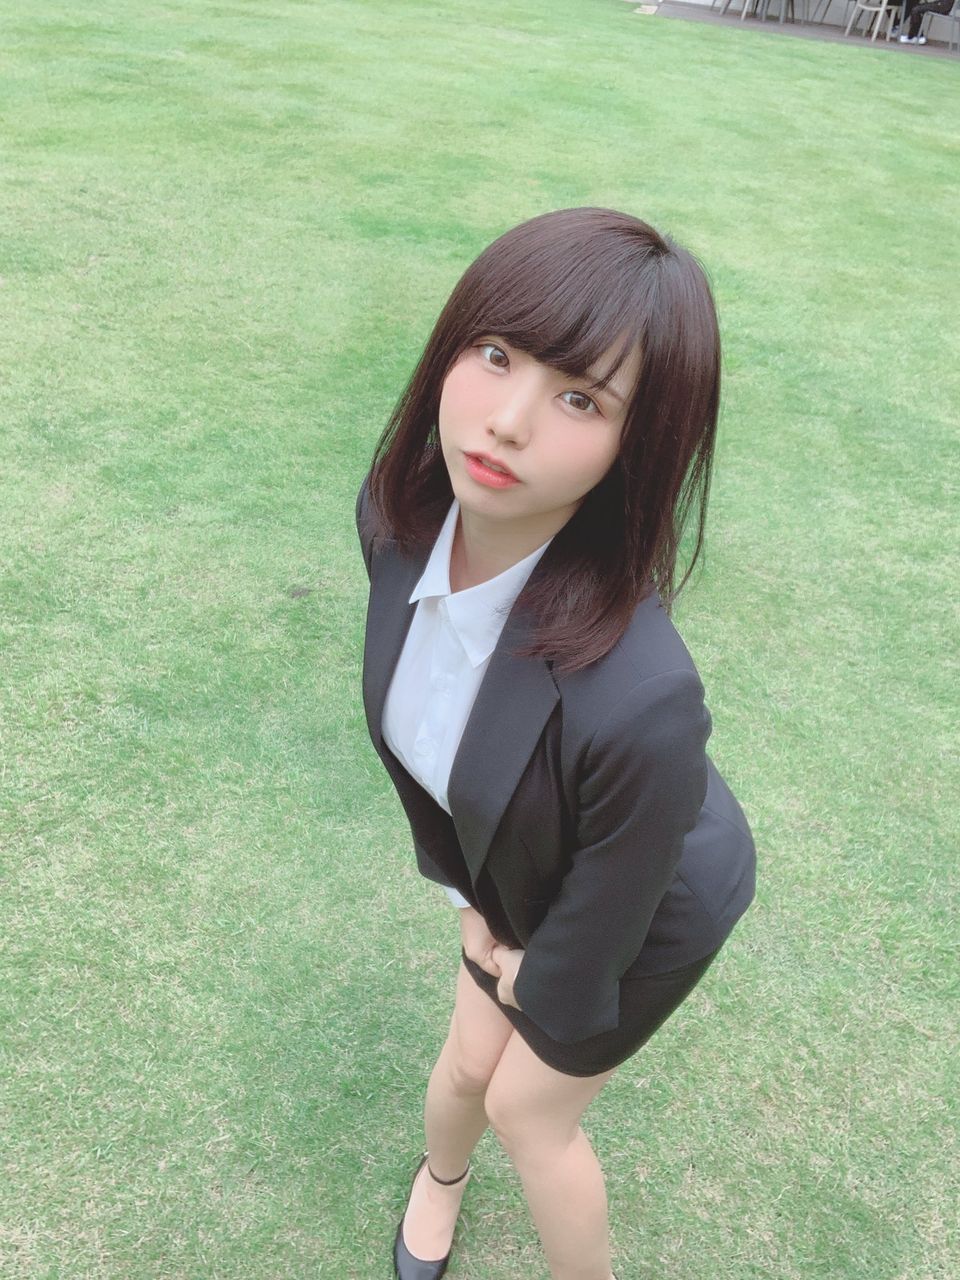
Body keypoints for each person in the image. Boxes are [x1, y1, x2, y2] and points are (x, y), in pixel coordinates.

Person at [355, 207, 757, 1280]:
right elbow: (435, 752)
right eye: (496, 354)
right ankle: (440, 1180)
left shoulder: (643, 698)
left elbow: (618, 893)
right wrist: (472, 904)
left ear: (638, 443)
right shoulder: (396, 527)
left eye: (582, 397)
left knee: (528, 1109)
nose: (507, 422)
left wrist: (537, 971)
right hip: (528, 840)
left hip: (651, 896)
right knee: (467, 1055)